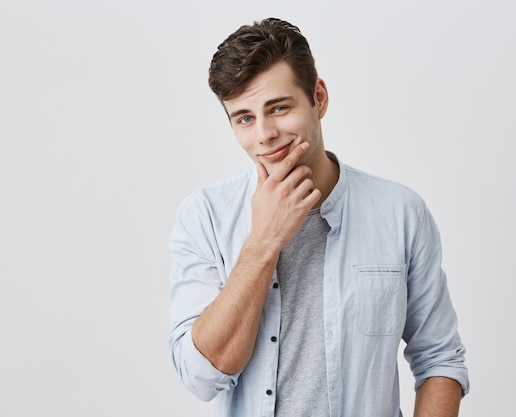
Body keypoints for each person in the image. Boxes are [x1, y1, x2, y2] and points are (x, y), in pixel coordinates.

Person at [168, 17, 469, 417]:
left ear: (319, 98)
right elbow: (202, 377)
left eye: (278, 108)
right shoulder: (204, 216)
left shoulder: (400, 213)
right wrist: (263, 242)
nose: (264, 135)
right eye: (244, 118)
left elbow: (440, 360)